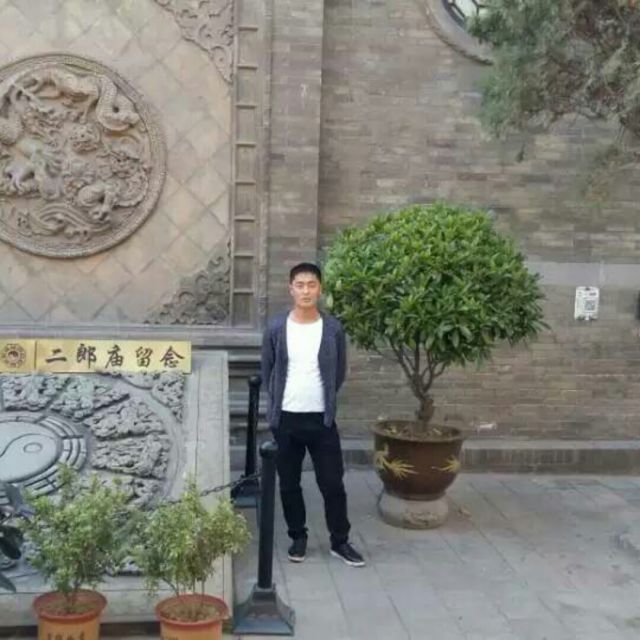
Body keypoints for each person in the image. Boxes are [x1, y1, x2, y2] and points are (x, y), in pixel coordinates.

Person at [261, 262, 365, 567]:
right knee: (289, 483)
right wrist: (277, 405)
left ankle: (340, 541)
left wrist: (326, 402)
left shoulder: (332, 329)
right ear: (291, 289)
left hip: (321, 419)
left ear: (320, 289)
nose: (305, 291)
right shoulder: (277, 328)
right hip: (286, 419)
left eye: (311, 285)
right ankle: (298, 536)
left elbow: (338, 373)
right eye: (300, 285)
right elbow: (268, 369)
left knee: (332, 483)